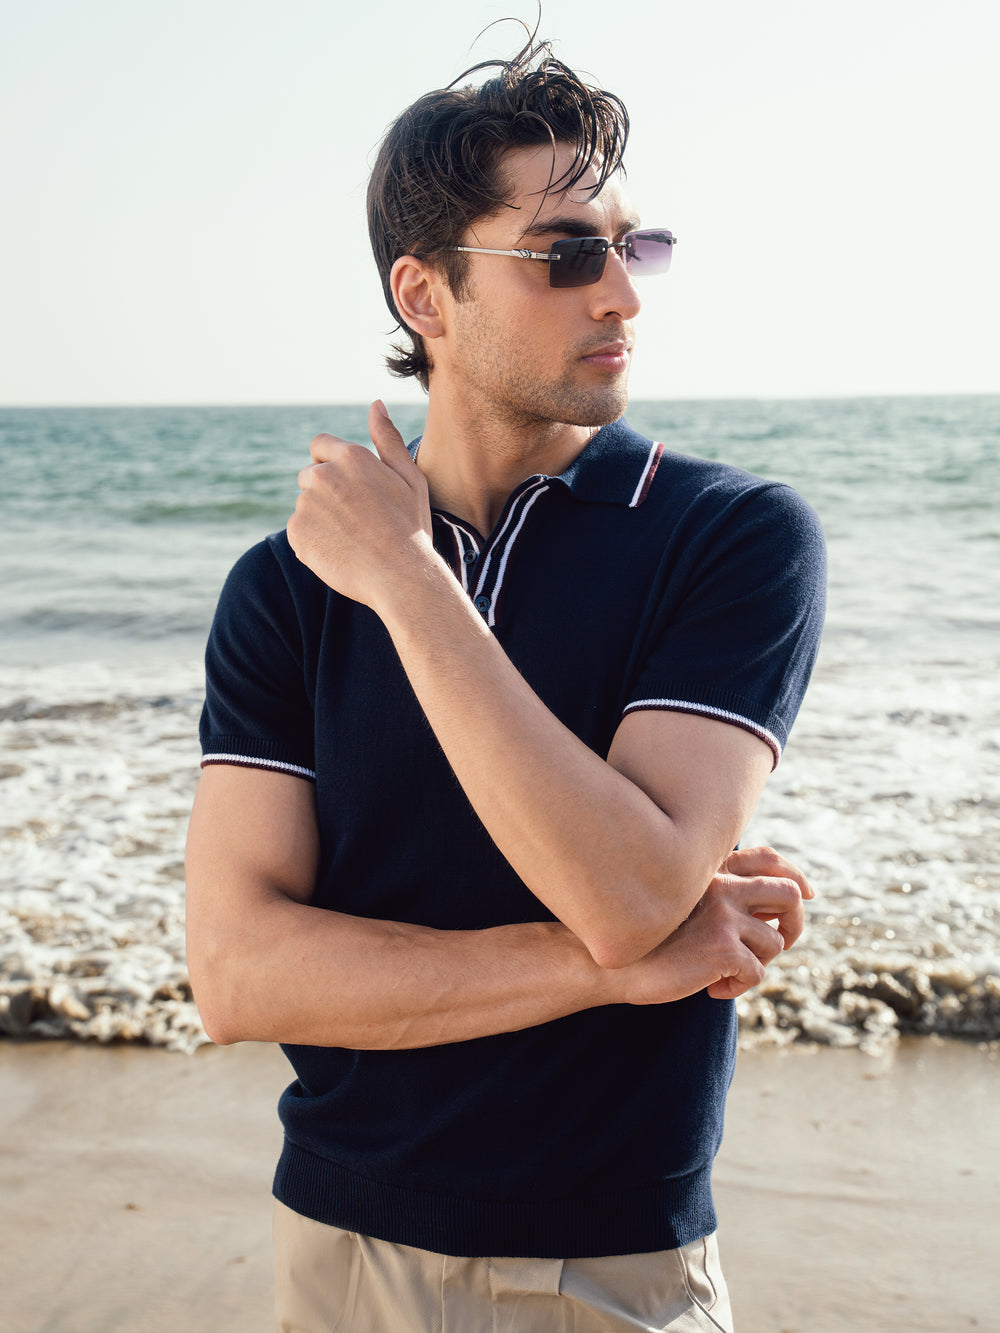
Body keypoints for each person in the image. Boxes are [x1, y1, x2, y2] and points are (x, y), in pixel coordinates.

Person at [185, 34, 826, 1333]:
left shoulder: (734, 538)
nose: (623, 295)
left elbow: (634, 889)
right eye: (565, 254)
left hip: (608, 1269)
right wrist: (606, 969)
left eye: (632, 247)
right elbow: (240, 971)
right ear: (426, 299)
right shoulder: (288, 585)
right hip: (339, 1253)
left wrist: (414, 584)